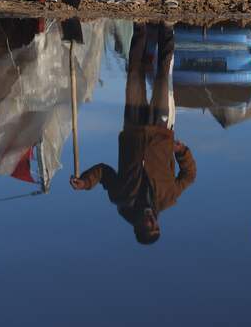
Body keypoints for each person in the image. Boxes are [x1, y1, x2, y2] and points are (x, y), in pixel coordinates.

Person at [70, 23, 196, 245]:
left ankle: (140, 26)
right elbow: (189, 176)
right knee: (162, 75)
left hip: (133, 129)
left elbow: (105, 172)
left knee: (134, 74)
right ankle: (166, 28)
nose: (150, 222)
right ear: (158, 224)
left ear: (137, 226)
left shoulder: (121, 197)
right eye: (155, 226)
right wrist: (182, 152)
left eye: (146, 226)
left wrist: (87, 183)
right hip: (161, 130)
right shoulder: (168, 197)